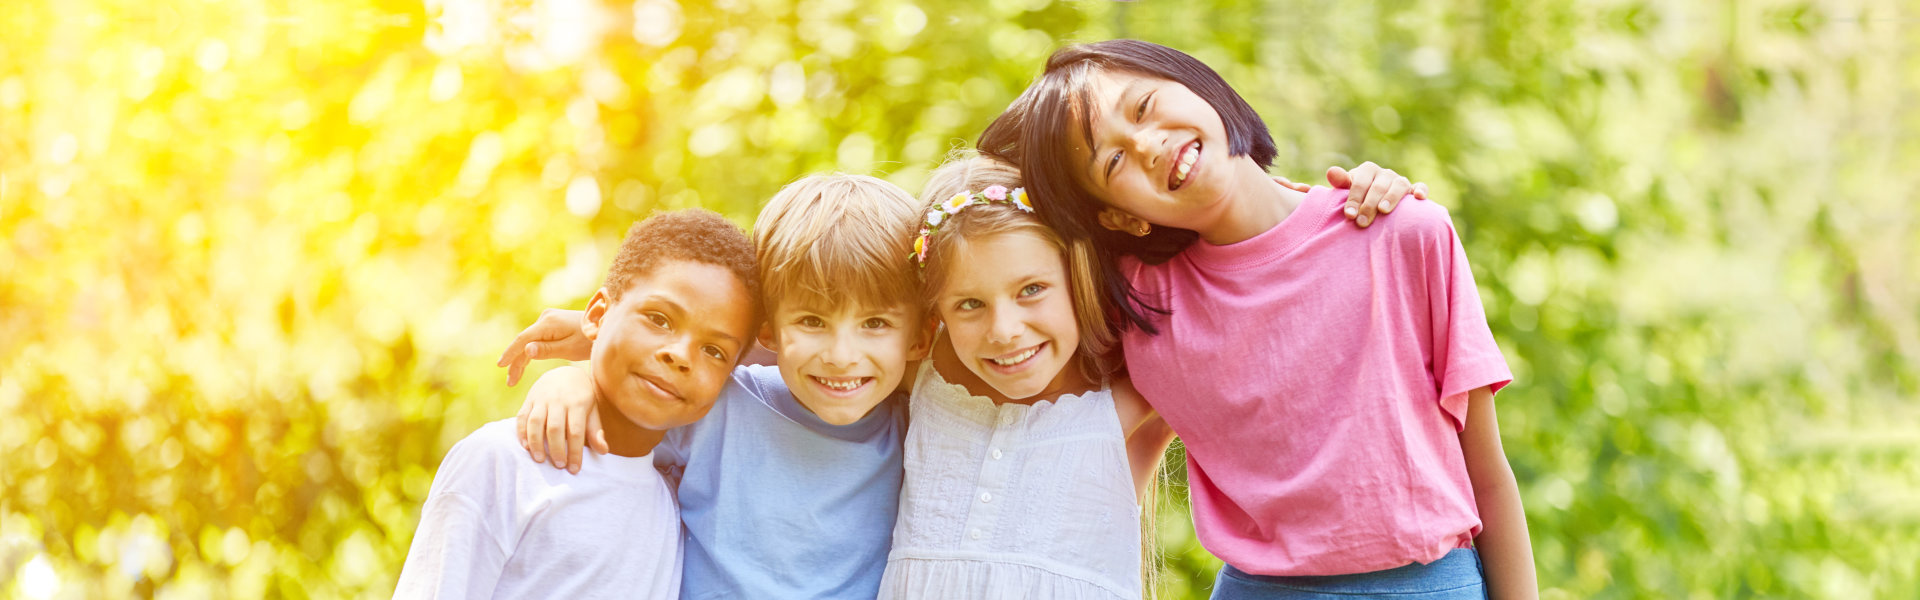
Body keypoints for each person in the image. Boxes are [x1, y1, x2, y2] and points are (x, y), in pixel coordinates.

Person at [979, 39, 1539, 599]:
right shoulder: (1136, 299)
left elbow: (1487, 475)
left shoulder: (1402, 233)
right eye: (1114, 160)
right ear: (1118, 216)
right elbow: (987, 252)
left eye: (1144, 106)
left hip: (1428, 584)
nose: (1147, 144)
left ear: (1198, 83)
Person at [494, 174, 932, 598]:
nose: (841, 355)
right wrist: (577, 378)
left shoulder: (920, 426)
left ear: (919, 337)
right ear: (769, 332)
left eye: (874, 323)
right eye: (811, 321)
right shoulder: (721, 407)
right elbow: (631, 393)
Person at [394, 209, 761, 599]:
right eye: (659, 319)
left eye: (713, 351)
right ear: (597, 315)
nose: (681, 355)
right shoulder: (502, 463)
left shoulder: (675, 506)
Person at [876, 154, 1174, 600]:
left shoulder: (1135, 403)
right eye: (970, 304)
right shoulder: (921, 377)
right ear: (937, 311)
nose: (1004, 330)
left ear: (1080, 276)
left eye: (1031, 290)